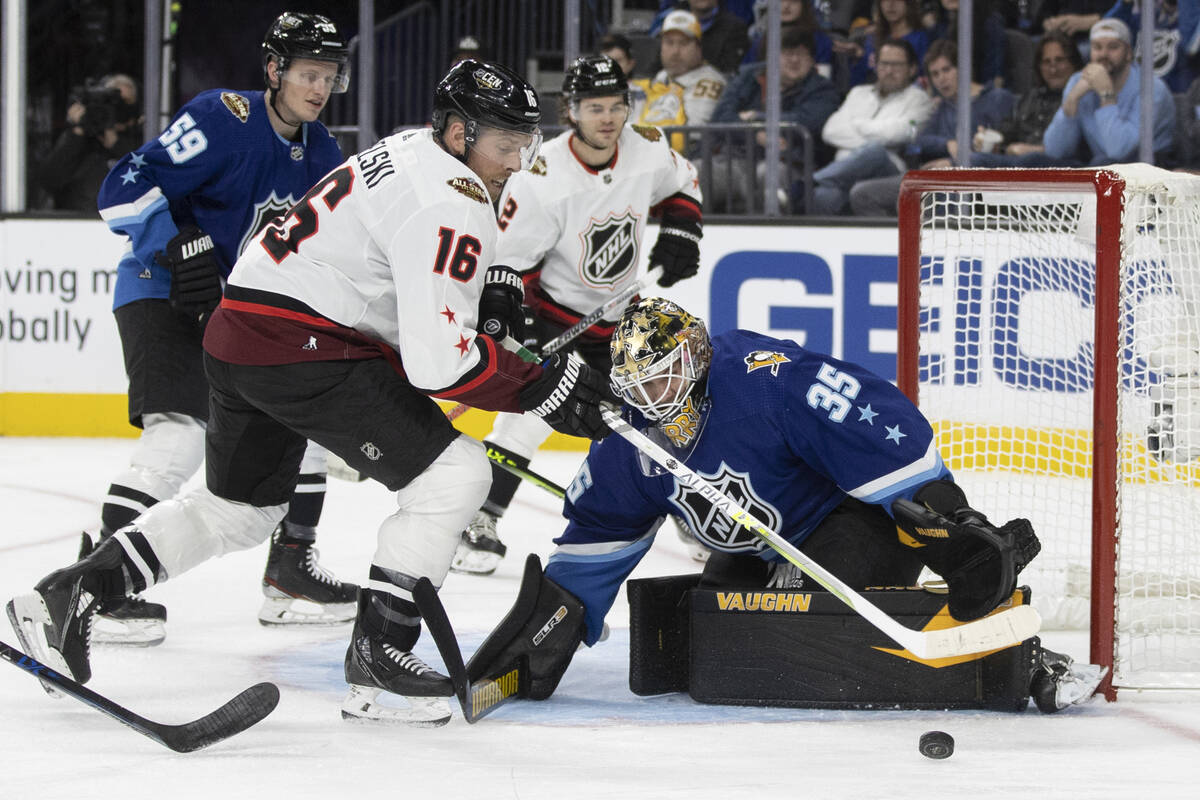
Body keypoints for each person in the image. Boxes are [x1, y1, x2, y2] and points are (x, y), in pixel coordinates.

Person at [6, 58, 613, 727]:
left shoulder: (410, 149)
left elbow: (408, 292)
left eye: (527, 144)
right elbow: (438, 364)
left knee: (238, 510)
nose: (518, 162)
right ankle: (380, 660)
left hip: (243, 329)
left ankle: (70, 593)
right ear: (460, 132)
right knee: (455, 476)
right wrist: (541, 387)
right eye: (506, 145)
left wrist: (490, 301)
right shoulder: (454, 200)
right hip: (302, 343)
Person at [461, 297, 1106, 713]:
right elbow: (600, 534)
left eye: (667, 374)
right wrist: (555, 615)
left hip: (847, 522)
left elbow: (869, 420)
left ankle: (1024, 664)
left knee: (809, 616)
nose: (656, 398)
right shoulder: (628, 445)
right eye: (641, 385)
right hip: (763, 547)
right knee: (726, 625)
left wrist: (943, 514)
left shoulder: (768, 383)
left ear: (698, 353)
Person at [73, 13, 359, 646]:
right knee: (177, 439)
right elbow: (120, 185)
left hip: (231, 316)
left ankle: (289, 573)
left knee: (301, 421)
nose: (319, 88)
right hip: (158, 292)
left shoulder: (324, 154)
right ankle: (96, 592)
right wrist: (176, 241)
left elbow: (323, 256)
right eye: (308, 73)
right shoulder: (220, 118)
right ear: (274, 70)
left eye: (329, 76)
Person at [452, 55, 704, 576]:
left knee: (657, 416)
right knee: (524, 420)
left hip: (622, 315)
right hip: (558, 317)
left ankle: (689, 512)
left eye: (616, 106)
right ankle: (483, 519)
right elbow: (510, 259)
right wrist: (517, 321)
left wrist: (682, 226)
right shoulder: (542, 175)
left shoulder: (648, 149)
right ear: (570, 111)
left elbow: (684, 181)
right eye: (594, 107)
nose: (608, 118)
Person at [846, 38, 1016, 217]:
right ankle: (894, 244)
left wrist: (954, 163)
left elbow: (1001, 145)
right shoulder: (942, 107)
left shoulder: (997, 98)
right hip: (932, 177)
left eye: (946, 70)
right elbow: (920, 139)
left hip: (971, 181)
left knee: (918, 198)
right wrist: (947, 144)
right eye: (935, 74)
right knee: (862, 194)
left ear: (964, 68)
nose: (941, 79)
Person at [705, 26, 840, 213]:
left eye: (801, 54)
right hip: (737, 159)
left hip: (791, 163)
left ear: (811, 60)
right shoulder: (748, 77)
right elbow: (720, 118)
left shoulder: (822, 89)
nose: (794, 60)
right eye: (787, 53)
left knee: (768, 174)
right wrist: (755, 135)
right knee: (699, 173)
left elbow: (808, 122)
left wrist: (754, 118)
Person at [806, 38, 932, 216]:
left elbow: (902, 133)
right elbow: (830, 131)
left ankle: (808, 183)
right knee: (823, 195)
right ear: (876, 65)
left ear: (911, 69)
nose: (888, 71)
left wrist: (856, 124)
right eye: (884, 64)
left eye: (896, 65)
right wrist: (871, 138)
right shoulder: (858, 93)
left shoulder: (919, 99)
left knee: (875, 151)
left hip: (888, 169)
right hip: (844, 173)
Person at [1043, 17, 1176, 166]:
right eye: (1097, 47)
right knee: (1032, 161)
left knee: (1103, 163)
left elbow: (1120, 151)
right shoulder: (1078, 81)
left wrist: (1106, 96)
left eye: (1113, 47)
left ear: (1128, 54)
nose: (1103, 54)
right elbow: (1055, 152)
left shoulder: (1152, 88)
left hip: (1151, 168)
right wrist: (1071, 101)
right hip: (1100, 166)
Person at [968, 32, 1085, 168]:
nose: (1053, 69)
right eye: (1047, 62)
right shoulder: (1030, 97)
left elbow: (1080, 147)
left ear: (1073, 63)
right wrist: (987, 138)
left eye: (1059, 60)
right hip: (1019, 162)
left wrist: (1037, 150)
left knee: (1030, 160)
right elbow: (1007, 131)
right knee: (975, 159)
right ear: (1039, 67)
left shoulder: (1082, 96)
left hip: (1063, 165)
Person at [36, 74, 142, 213]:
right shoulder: (78, 140)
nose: (117, 108)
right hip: (77, 224)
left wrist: (117, 144)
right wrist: (78, 131)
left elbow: (150, 176)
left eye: (124, 102)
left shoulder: (141, 140)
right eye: (109, 102)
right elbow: (48, 179)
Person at [633, 10, 728, 153]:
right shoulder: (659, 77)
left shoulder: (709, 81)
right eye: (669, 42)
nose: (675, 51)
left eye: (683, 43)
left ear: (698, 48)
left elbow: (691, 137)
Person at [842, 0, 931, 89]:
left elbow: (923, 79)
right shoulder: (872, 38)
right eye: (885, 0)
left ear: (908, 3)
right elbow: (857, 85)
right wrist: (859, 57)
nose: (890, 4)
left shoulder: (922, 39)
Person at [650, 0, 750, 74]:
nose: (676, 50)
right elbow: (653, 69)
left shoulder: (735, 27)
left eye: (684, 43)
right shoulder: (671, 20)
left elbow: (729, 74)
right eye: (671, 43)